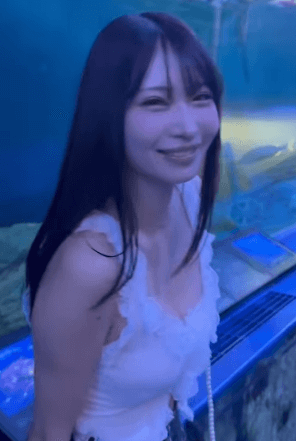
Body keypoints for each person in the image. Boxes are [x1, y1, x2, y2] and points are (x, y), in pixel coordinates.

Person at [24, 11, 224, 441]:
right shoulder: (91, 265)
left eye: (200, 97)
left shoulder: (189, 197)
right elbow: (48, 432)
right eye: (156, 102)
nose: (189, 127)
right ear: (109, 114)